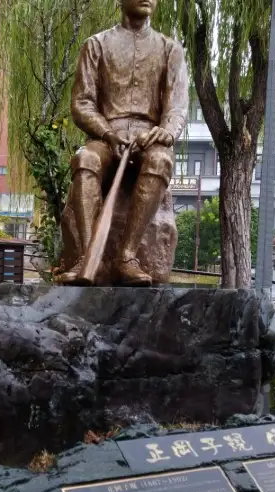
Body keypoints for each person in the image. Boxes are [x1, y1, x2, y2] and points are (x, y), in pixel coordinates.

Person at [56, 0, 189, 285]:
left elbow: (177, 107)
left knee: (160, 160)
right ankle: (86, 257)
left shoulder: (170, 49)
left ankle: (126, 256)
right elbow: (82, 102)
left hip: (148, 137)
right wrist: (106, 132)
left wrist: (166, 132)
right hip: (107, 135)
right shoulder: (97, 44)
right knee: (85, 159)